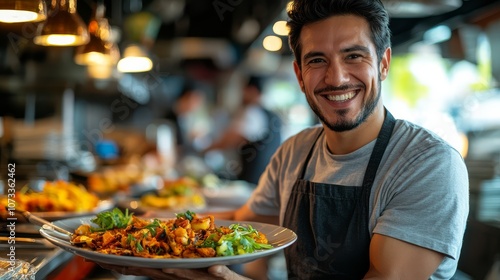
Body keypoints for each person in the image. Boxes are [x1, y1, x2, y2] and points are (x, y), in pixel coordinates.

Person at [96, 0, 469, 278]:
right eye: (317, 60)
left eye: (353, 56)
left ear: (384, 62)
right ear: (299, 74)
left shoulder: (428, 165)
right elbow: (243, 225)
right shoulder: (295, 152)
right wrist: (145, 225)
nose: (336, 77)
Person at [203, 75, 282, 185]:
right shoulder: (273, 114)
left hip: (251, 181)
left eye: (243, 90)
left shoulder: (252, 112)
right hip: (269, 180)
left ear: (252, 90)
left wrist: (205, 150)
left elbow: (232, 139)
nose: (241, 94)